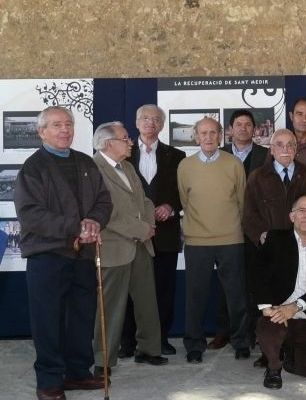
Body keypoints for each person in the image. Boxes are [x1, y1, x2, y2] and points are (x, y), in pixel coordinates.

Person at [15, 106, 112, 400]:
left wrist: (94, 221)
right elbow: (31, 215)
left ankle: (78, 373)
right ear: (42, 131)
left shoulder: (85, 162)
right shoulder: (33, 168)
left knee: (82, 317)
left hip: (82, 255)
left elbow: (104, 200)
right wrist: (76, 227)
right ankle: (48, 382)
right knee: (48, 321)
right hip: (48, 257)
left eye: (68, 124)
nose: (64, 130)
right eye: (56, 125)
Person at [91, 122, 166, 379]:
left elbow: (145, 201)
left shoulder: (128, 167)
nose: (131, 143)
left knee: (147, 301)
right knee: (110, 308)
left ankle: (149, 349)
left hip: (140, 244)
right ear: (108, 143)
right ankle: (103, 361)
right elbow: (105, 214)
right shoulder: (94, 169)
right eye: (125, 139)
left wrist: (148, 226)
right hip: (114, 248)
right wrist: (139, 229)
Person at [177, 117, 249, 364]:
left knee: (236, 295)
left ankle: (241, 342)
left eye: (212, 133)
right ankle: (194, 345)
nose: (208, 137)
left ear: (221, 136)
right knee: (195, 296)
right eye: (203, 133)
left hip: (231, 239)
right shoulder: (184, 167)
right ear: (196, 137)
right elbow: (185, 202)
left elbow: (242, 201)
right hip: (197, 241)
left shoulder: (234, 164)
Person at [252, 195, 306, 389]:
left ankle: (290, 359)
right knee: (270, 329)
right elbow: (258, 274)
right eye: (301, 210)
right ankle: (274, 367)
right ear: (292, 216)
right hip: (275, 313)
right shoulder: (275, 239)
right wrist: (267, 308)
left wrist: (296, 306)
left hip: (304, 316)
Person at [121, 104, 186, 357]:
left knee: (163, 289)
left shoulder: (177, 156)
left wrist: (172, 206)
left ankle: (160, 340)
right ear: (137, 123)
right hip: (131, 234)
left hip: (165, 234)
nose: (151, 123)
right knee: (129, 290)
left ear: (162, 124)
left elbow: (185, 193)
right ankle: (127, 341)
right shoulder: (123, 154)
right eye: (145, 119)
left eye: (156, 119)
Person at [210, 109, 270, 351]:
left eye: (248, 125)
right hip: (225, 227)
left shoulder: (266, 155)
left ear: (254, 130)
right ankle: (225, 330)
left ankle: (256, 330)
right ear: (230, 129)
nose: (243, 128)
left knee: (256, 280)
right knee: (228, 282)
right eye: (238, 124)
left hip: (256, 228)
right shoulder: (217, 155)